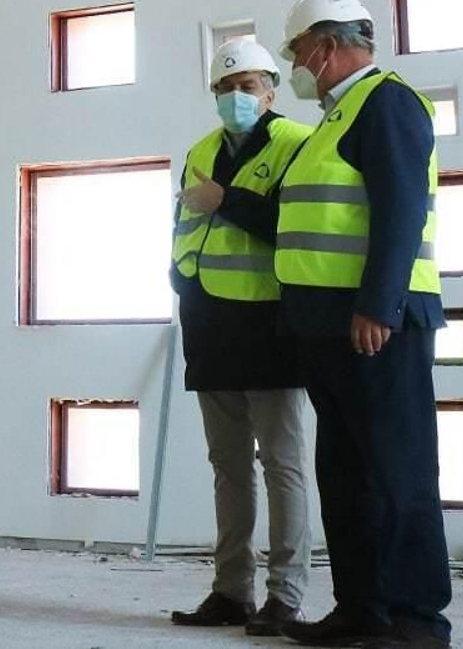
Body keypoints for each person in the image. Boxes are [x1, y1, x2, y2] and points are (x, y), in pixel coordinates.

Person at [273, 0, 451, 649]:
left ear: (324, 44)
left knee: (398, 472)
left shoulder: (387, 102)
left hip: (378, 324)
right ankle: (362, 609)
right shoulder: (336, 113)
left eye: (296, 51)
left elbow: (400, 209)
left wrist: (381, 303)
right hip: (327, 327)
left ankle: (417, 619)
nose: (295, 63)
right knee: (345, 474)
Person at [169, 39, 313, 638]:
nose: (236, 98)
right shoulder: (201, 149)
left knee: (282, 465)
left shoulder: (296, 144)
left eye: (248, 86)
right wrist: (176, 278)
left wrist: (226, 199)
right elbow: (184, 225)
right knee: (227, 467)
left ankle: (286, 595)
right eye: (225, 89)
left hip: (269, 327)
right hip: (209, 328)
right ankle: (231, 592)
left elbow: (297, 226)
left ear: (272, 90)